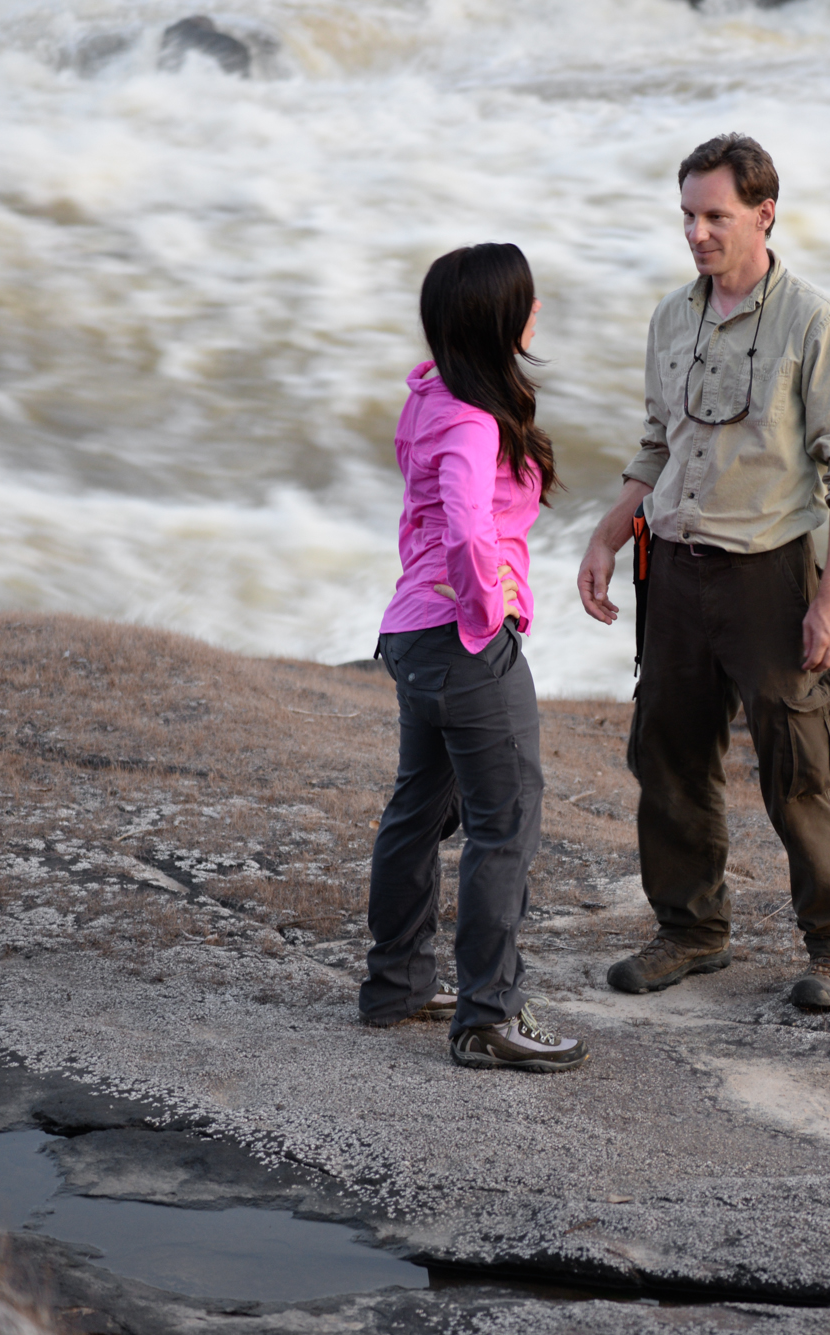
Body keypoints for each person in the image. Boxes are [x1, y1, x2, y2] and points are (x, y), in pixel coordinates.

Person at [577, 134, 830, 1010]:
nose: (697, 232)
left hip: (770, 574)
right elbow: (654, 447)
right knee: (668, 754)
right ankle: (691, 932)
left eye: (715, 215)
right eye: (687, 215)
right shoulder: (671, 318)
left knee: (798, 767)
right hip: (672, 568)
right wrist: (608, 534)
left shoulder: (818, 325)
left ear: (765, 212)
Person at [360, 242, 589, 1074]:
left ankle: (396, 985)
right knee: (505, 822)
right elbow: (462, 524)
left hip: (410, 634)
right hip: (460, 640)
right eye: (528, 302)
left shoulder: (430, 397)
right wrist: (487, 616)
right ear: (501, 319)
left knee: (418, 810)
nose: (537, 314)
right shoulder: (474, 417)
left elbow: (422, 517)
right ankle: (489, 1015)